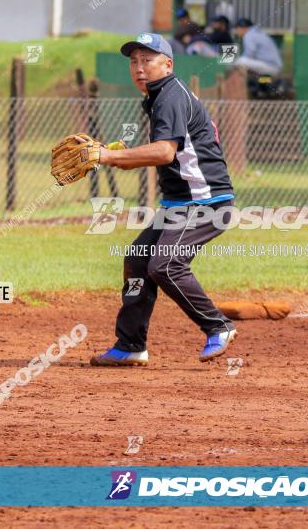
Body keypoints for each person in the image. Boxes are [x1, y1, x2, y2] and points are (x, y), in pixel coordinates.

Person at [89, 32, 237, 366]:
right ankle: (130, 345)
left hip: (205, 202)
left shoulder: (169, 95)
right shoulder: (160, 96)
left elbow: (164, 152)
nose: (139, 68)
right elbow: (171, 154)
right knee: (138, 260)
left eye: (148, 60)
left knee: (165, 264)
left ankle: (218, 326)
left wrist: (108, 158)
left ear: (167, 65)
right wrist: (125, 156)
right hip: (181, 202)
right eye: (134, 61)